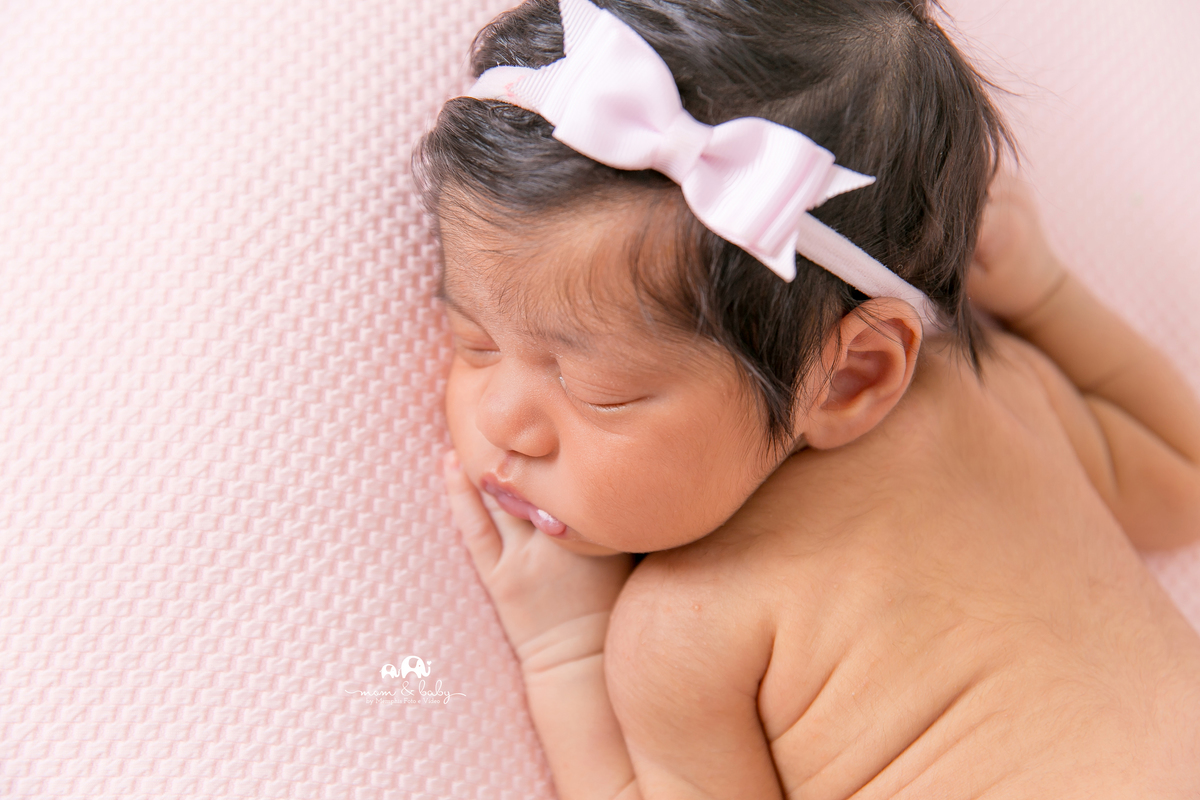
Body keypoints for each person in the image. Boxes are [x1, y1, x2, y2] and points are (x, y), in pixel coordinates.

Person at [417, 0, 1200, 796]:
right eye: (473, 340)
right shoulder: (994, 391)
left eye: (601, 392)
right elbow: (1182, 480)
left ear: (853, 375)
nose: (499, 421)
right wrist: (1046, 296)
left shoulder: (690, 628)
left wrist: (567, 645)